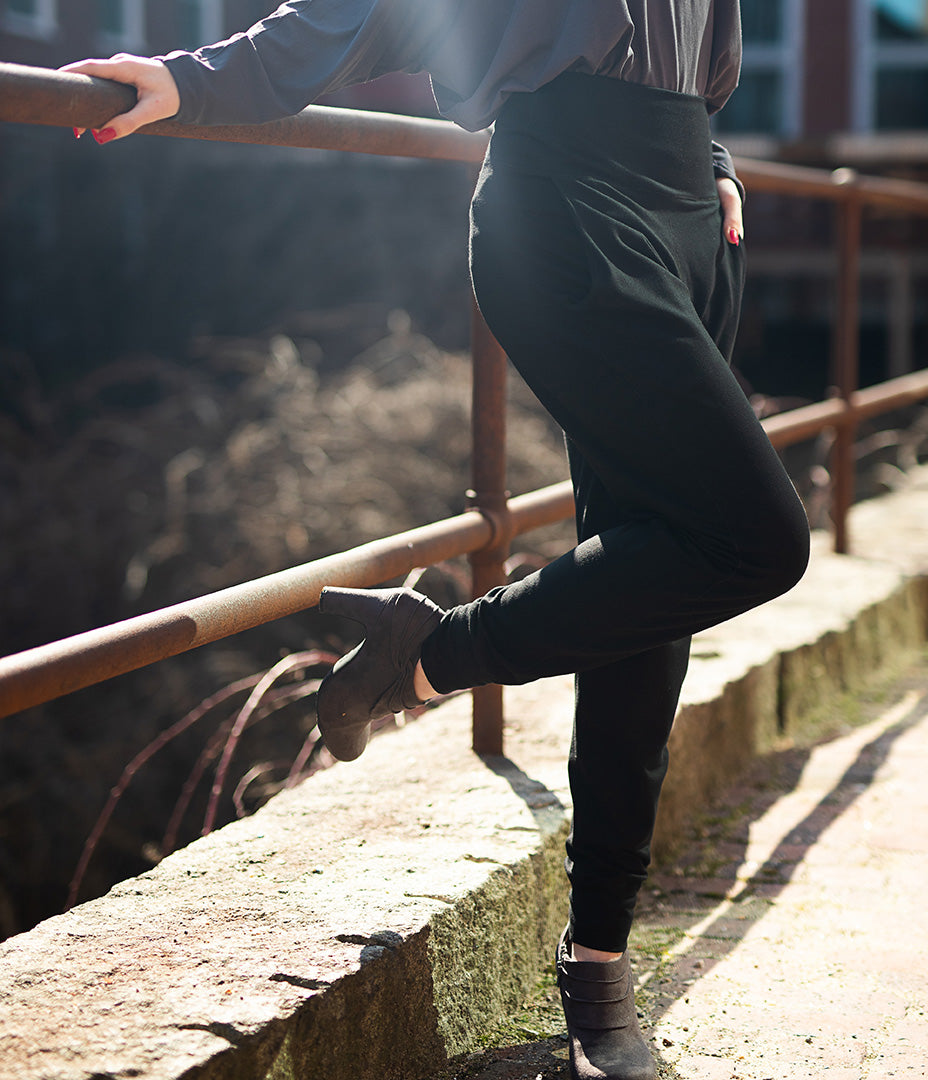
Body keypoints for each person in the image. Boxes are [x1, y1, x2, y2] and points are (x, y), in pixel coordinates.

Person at [64, 4, 810, 1077]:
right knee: (751, 539)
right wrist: (198, 77)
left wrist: (711, 152)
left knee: (653, 582)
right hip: (570, 209)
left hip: (691, 210)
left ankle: (597, 962)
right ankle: (428, 657)